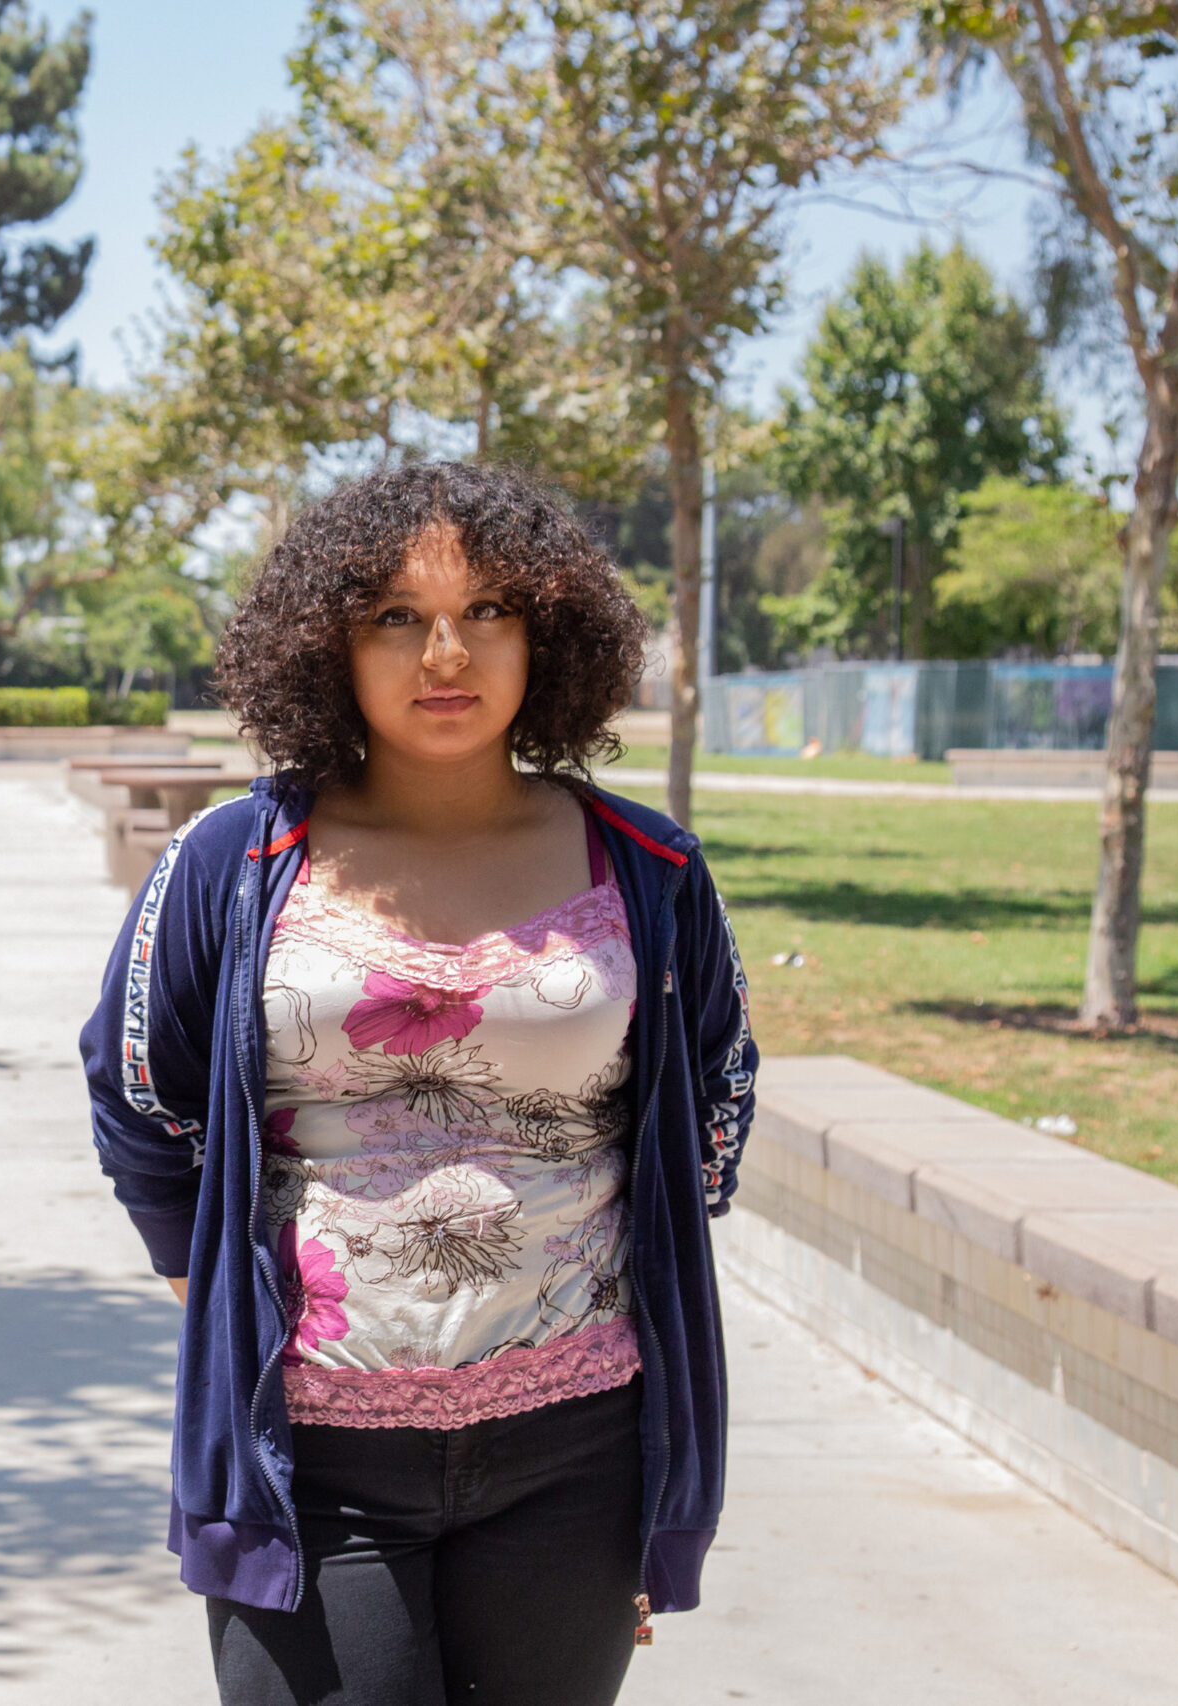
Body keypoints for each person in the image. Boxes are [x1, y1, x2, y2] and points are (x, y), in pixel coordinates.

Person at [80, 462, 756, 1706]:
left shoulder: (649, 867)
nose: (445, 651)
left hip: (579, 1450)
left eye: (488, 608)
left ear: (546, 634)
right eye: (395, 614)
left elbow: (714, 1091)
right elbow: (137, 1086)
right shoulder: (234, 861)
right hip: (311, 1459)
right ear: (324, 641)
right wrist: (209, 1270)